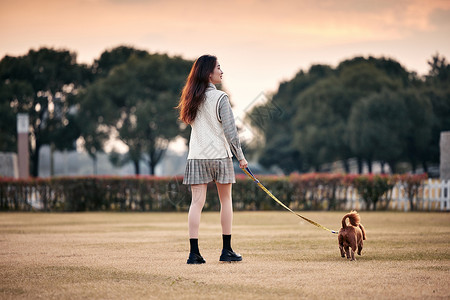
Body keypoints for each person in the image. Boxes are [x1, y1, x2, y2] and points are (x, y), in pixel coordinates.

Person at [177, 55, 248, 264]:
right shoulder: (221, 98)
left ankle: (194, 254)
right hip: (219, 156)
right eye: (218, 67)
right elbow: (231, 132)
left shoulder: (191, 98)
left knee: (196, 203)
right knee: (226, 200)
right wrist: (241, 158)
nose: (221, 71)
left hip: (197, 157)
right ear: (209, 73)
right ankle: (227, 251)